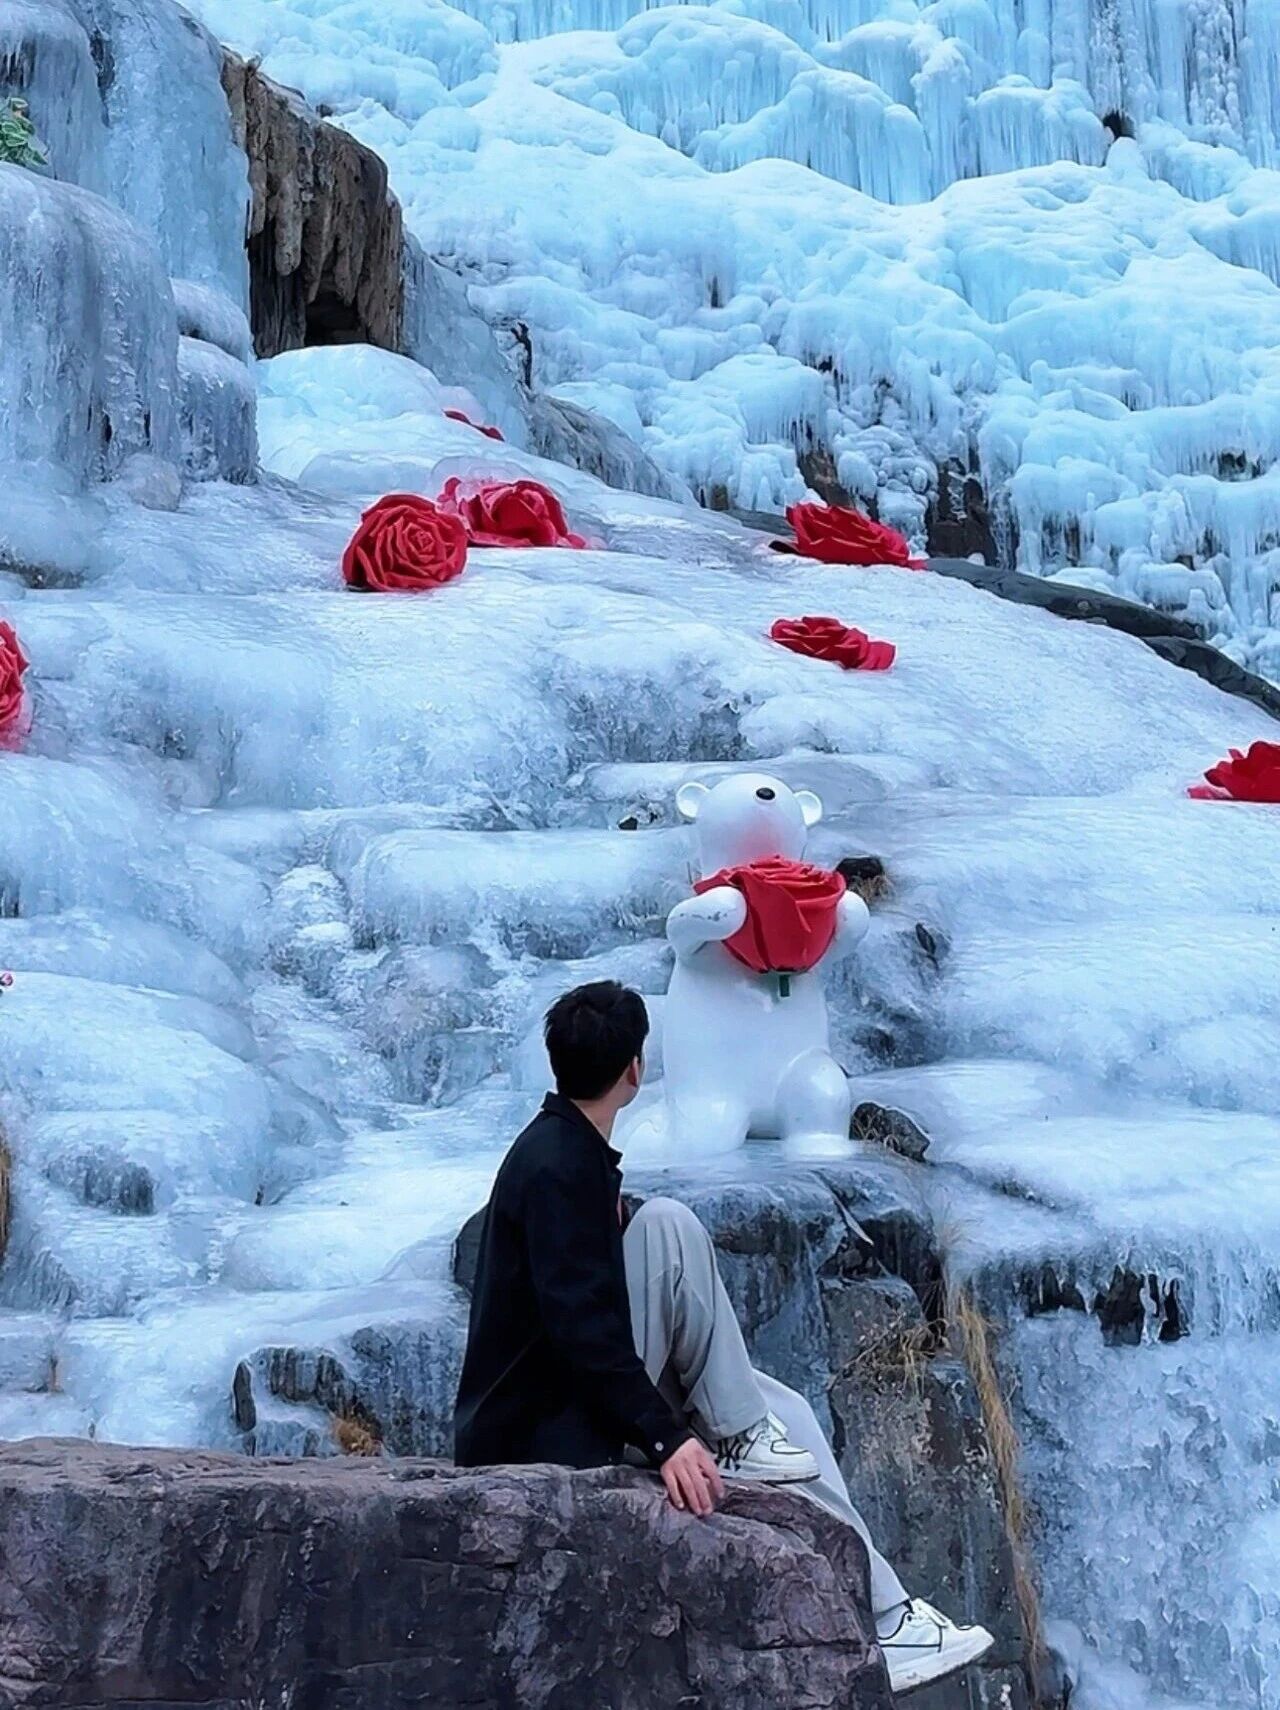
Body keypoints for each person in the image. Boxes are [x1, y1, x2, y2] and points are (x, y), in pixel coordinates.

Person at [454, 980, 994, 1696]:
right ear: (636, 1073)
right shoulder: (558, 1166)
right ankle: (738, 1434)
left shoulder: (559, 1151)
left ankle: (889, 1618)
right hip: (543, 1433)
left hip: (568, 1400)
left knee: (791, 1416)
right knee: (671, 1224)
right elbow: (578, 1332)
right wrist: (664, 1439)